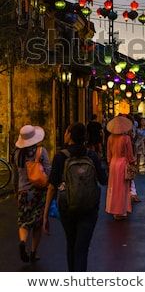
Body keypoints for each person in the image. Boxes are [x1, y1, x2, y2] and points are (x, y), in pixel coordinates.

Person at [43, 123, 106, 272]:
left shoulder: (60, 156)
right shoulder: (92, 155)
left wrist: (45, 214)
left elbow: (52, 186)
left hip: (67, 207)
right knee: (82, 249)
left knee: (71, 244)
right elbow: (104, 180)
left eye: (66, 131)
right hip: (89, 208)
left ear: (70, 135)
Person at [13, 125, 51, 263]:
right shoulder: (41, 151)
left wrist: (16, 191)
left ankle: (23, 241)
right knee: (37, 223)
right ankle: (34, 252)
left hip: (23, 191)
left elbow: (16, 174)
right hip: (38, 192)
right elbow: (48, 169)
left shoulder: (17, 154)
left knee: (23, 221)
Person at [106, 115, 135, 219]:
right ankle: (122, 211)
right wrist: (132, 162)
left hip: (113, 163)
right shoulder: (126, 138)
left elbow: (108, 155)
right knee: (123, 188)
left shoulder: (110, 138)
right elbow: (130, 155)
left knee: (113, 187)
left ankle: (114, 210)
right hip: (123, 163)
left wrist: (109, 164)